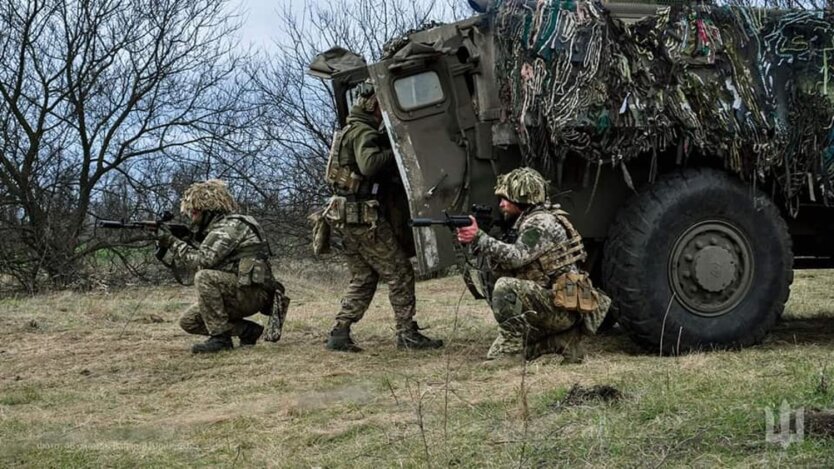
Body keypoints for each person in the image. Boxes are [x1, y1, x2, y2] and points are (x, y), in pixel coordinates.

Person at [322, 84, 443, 352]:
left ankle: (340, 331)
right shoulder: (363, 131)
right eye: (381, 105)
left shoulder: (349, 130)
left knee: (364, 277)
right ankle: (406, 333)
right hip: (364, 220)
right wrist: (396, 151)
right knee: (399, 271)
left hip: (347, 219)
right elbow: (369, 164)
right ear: (372, 106)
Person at [455, 167, 611, 362]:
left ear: (523, 199)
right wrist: (478, 242)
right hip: (552, 303)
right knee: (505, 351)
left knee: (505, 287)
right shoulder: (526, 220)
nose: (501, 204)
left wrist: (479, 237)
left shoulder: (541, 223)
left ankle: (511, 354)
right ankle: (563, 342)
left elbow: (516, 256)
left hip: (562, 307)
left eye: (506, 198)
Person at [157, 179, 280, 353]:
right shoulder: (222, 227)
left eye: (194, 212)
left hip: (252, 294)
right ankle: (247, 331)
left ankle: (221, 339)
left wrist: (171, 242)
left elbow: (202, 261)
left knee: (204, 277)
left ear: (208, 210)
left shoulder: (230, 227)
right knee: (189, 321)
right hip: (241, 292)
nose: (192, 217)